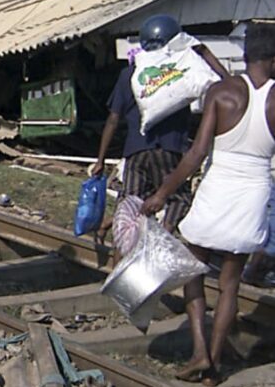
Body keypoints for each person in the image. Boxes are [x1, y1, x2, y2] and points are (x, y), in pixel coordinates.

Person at [142, 22, 275, 387]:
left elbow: (196, 154)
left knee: (194, 272)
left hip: (217, 189)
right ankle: (213, 368)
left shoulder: (222, 92)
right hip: (253, 192)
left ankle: (200, 352)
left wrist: (161, 195)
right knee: (230, 284)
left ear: (246, 56)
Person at [94, 14, 229, 236]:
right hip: (169, 151)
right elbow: (226, 83)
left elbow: (113, 119)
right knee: (178, 198)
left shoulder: (130, 74)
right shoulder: (180, 75)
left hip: (135, 153)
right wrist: (202, 51)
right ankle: (163, 235)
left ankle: (118, 248)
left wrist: (100, 160)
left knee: (129, 205)